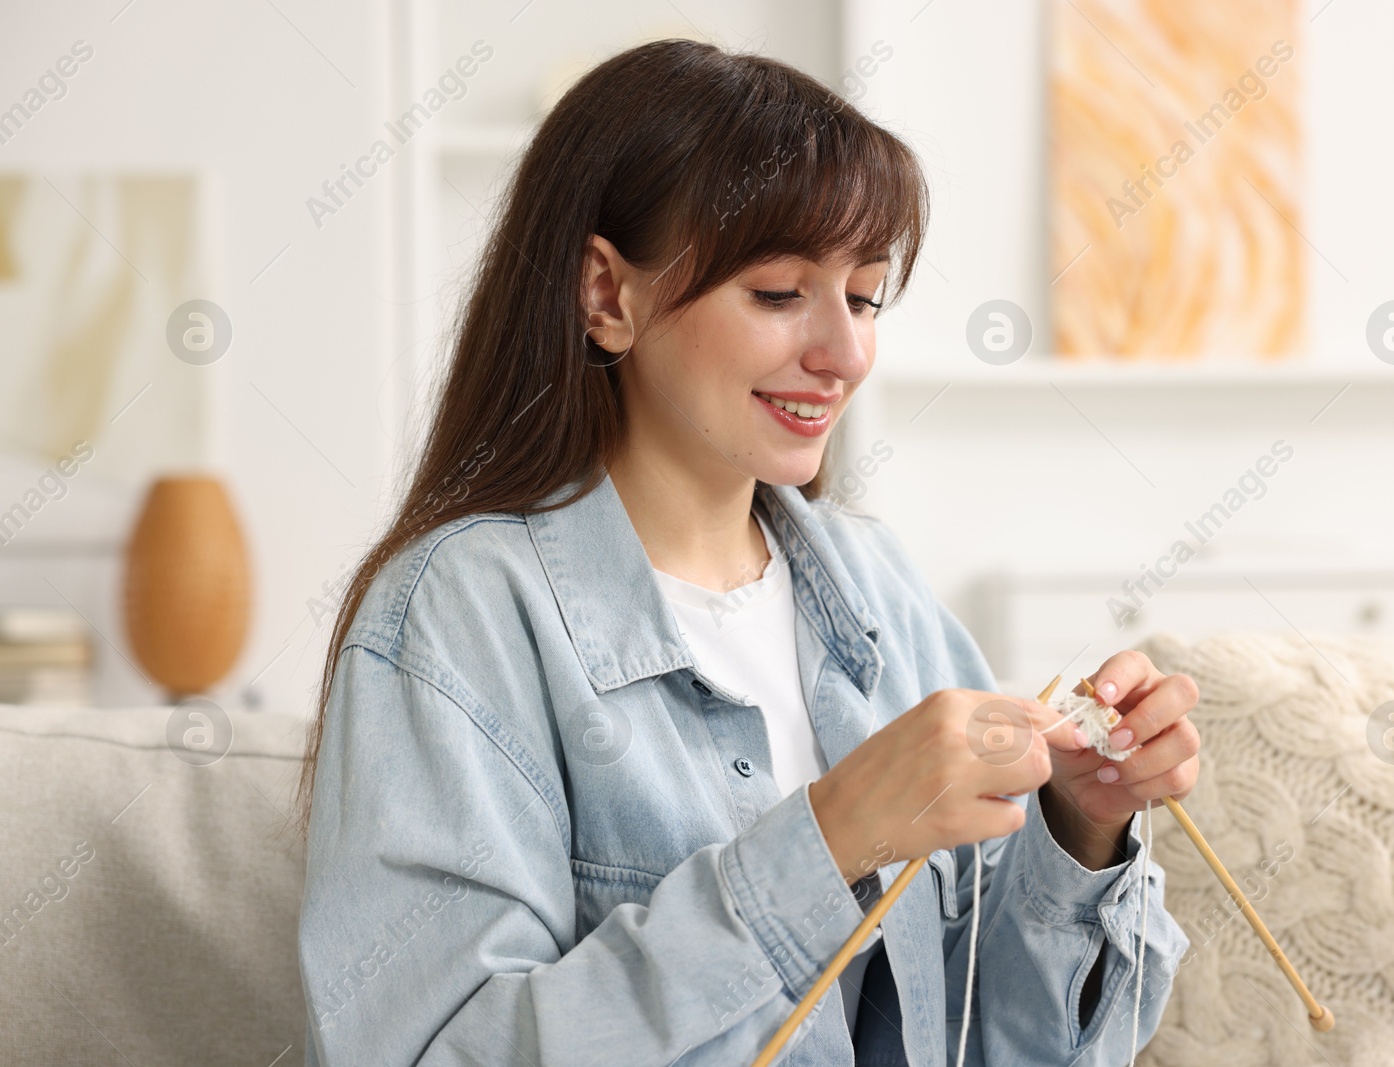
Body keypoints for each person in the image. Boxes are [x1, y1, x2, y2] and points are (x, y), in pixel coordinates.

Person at [295, 38, 1200, 1067]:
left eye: (863, 296)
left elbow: (991, 1042)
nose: (846, 352)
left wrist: (1078, 828)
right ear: (607, 295)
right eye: (778, 293)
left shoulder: (876, 587)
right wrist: (822, 839)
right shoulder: (458, 612)